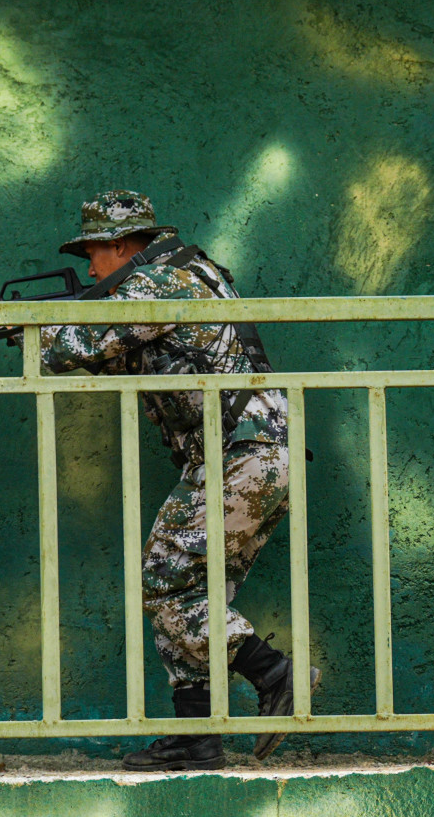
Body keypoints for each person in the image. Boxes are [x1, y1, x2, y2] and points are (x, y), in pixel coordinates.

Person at [39, 190, 315, 770]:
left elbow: (76, 344)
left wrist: (24, 326)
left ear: (119, 244)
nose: (91, 269)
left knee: (166, 585)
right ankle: (196, 736)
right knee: (187, 593)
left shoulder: (159, 282)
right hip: (247, 454)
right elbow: (121, 352)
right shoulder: (189, 275)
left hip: (243, 453)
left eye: (94, 253)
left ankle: (277, 675)